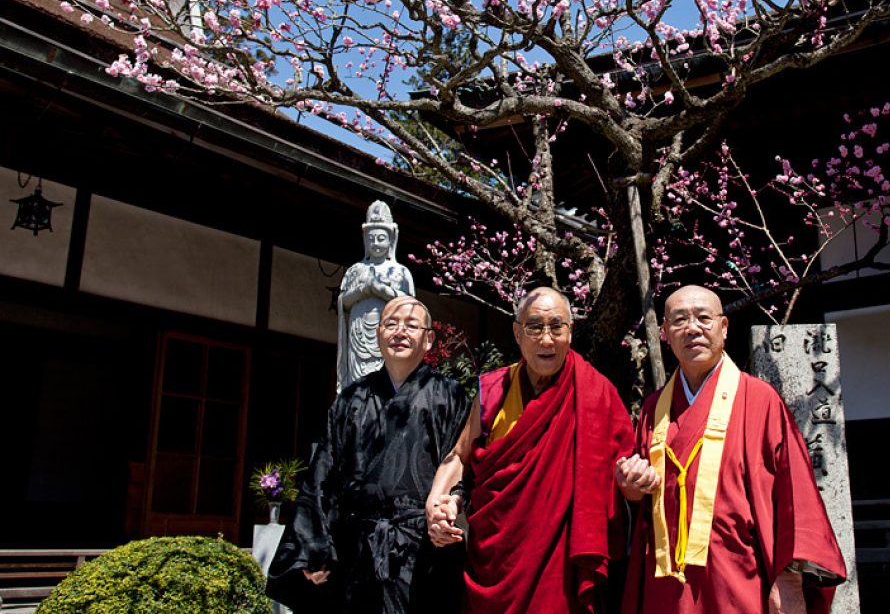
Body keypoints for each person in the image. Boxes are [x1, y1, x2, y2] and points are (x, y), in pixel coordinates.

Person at [618, 285, 846, 614]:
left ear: (724, 328)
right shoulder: (654, 410)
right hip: (664, 584)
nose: (692, 328)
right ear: (665, 333)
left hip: (737, 575)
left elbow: (795, 493)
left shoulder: (760, 400)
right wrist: (632, 490)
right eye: (680, 320)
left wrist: (790, 580)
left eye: (703, 318)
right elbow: (642, 501)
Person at [425, 287, 634, 614]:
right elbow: (458, 455)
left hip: (560, 567)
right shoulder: (493, 390)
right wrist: (436, 503)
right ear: (517, 333)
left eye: (556, 326)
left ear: (571, 331)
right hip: (495, 560)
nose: (546, 339)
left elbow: (626, 484)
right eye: (535, 326)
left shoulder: (598, 394)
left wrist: (633, 483)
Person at [267, 296, 470, 613]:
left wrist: (452, 509)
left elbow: (463, 463)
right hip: (359, 553)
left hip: (424, 554)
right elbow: (323, 476)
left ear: (429, 339)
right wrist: (313, 547)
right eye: (391, 324)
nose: (400, 332)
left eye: (411, 325)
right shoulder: (352, 399)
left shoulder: (450, 396)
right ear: (377, 335)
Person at [337, 199, 415, 393]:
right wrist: (363, 290)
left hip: (388, 336)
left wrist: (382, 291)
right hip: (358, 336)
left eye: (381, 238)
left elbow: (410, 306)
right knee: (358, 388)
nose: (376, 243)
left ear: (391, 240)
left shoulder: (400, 272)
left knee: (385, 386)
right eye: (371, 239)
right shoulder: (356, 270)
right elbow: (343, 303)